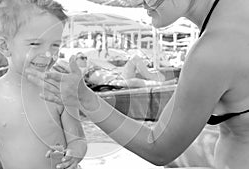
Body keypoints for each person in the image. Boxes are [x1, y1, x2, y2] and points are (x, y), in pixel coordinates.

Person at [26, 0, 249, 168]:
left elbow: (159, 148)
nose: (140, 3)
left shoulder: (213, 50)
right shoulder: (233, 16)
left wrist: (84, 98)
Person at [0, 1, 87, 169]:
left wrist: (74, 153)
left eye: (55, 45)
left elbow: (78, 139)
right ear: (4, 46)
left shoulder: (59, 92)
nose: (48, 54)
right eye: (35, 44)